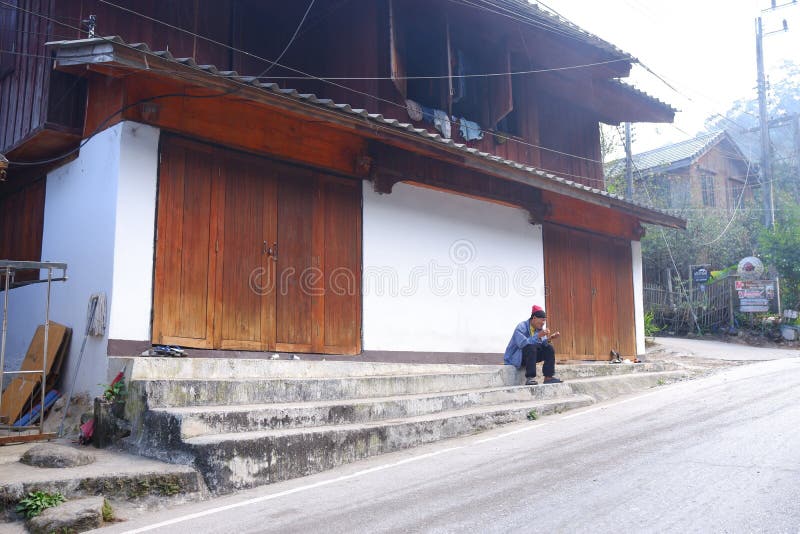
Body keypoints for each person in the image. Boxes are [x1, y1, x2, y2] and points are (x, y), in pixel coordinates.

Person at [503, 305, 563, 385]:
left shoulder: (539, 329)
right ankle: (530, 378)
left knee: (549, 348)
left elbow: (542, 345)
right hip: (517, 358)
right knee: (531, 347)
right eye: (541, 320)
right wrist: (538, 336)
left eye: (544, 321)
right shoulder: (521, 327)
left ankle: (548, 377)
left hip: (530, 357)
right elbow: (523, 344)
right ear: (534, 318)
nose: (543, 323)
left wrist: (550, 339)